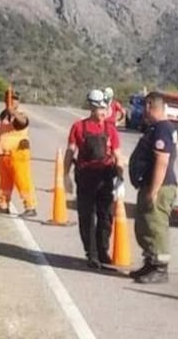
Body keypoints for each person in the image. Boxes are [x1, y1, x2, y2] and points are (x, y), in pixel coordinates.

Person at [63, 89, 125, 269]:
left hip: (105, 176)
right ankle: (91, 254)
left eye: (105, 108)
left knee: (105, 215)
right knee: (87, 216)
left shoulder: (110, 129)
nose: (103, 112)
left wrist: (120, 178)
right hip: (85, 177)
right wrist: (65, 175)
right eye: (99, 108)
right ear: (91, 107)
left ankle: (102, 250)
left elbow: (117, 154)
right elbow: (70, 151)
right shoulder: (78, 127)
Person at [127, 91, 178, 284]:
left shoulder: (162, 128)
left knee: (155, 226)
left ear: (150, 106)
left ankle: (160, 268)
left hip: (160, 186)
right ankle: (150, 262)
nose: (143, 112)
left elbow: (162, 161)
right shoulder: (158, 128)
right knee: (146, 225)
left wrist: (154, 190)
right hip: (150, 183)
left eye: (145, 107)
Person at [0, 91, 37, 217]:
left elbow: (22, 122)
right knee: (3, 184)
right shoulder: (1, 116)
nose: (11, 102)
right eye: (9, 99)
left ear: (18, 102)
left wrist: (14, 113)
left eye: (14, 100)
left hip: (18, 155)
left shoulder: (20, 115)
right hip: (3, 155)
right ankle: (3, 206)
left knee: (23, 182)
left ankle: (30, 207)